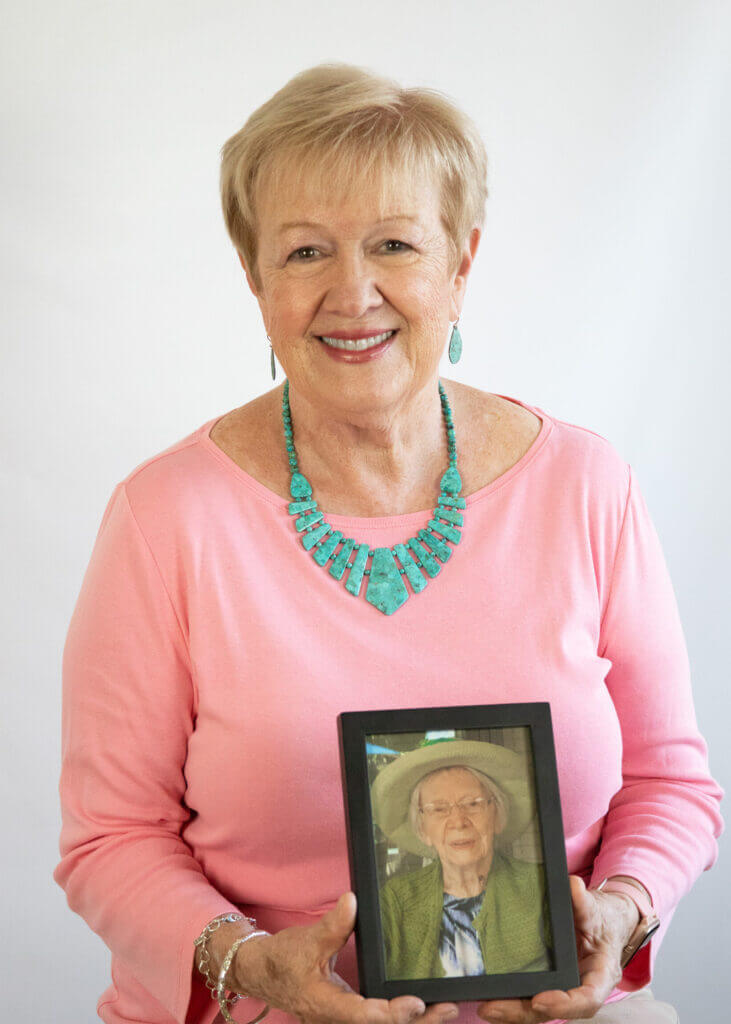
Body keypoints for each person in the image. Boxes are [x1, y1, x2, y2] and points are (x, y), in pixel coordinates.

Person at [53, 62, 723, 1024]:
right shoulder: (164, 518)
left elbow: (670, 784)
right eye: (304, 253)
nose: (352, 292)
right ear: (253, 279)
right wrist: (248, 963)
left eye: (394, 244)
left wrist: (621, 912)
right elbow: (111, 837)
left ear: (461, 262)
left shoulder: (585, 484)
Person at [371, 739, 552, 980]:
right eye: (438, 809)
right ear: (423, 830)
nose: (458, 821)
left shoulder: (540, 885)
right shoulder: (395, 900)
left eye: (472, 804)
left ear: (497, 816)